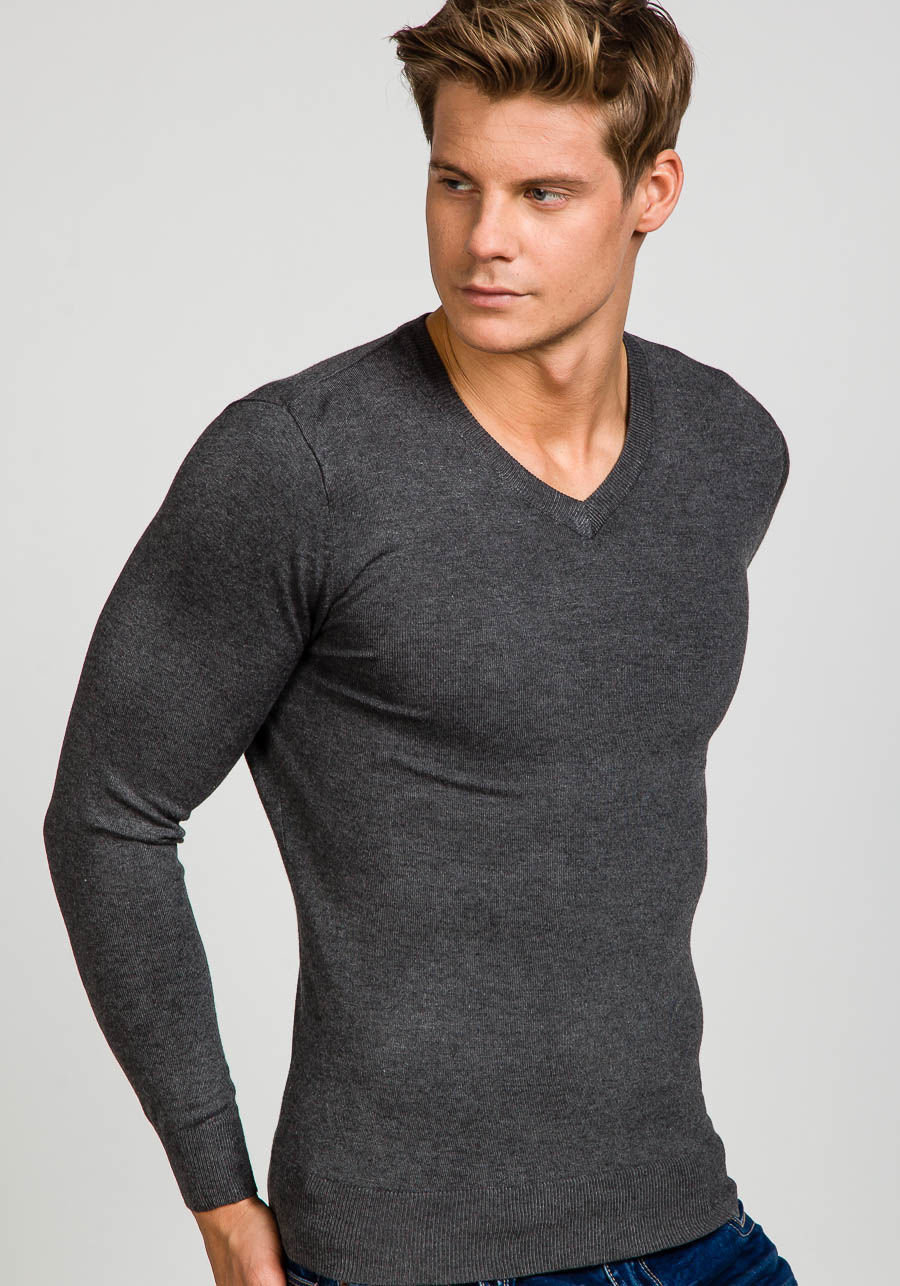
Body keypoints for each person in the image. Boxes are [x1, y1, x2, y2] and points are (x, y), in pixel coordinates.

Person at [42, 1, 798, 1284]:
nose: (485, 238)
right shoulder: (299, 465)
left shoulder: (728, 448)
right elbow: (107, 813)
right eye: (456, 183)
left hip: (688, 1219)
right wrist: (220, 1192)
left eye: (543, 193)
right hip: (412, 1252)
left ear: (652, 193)